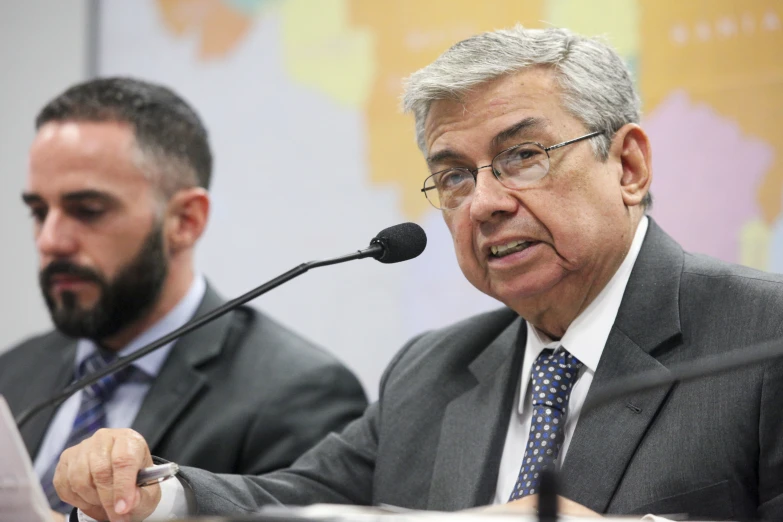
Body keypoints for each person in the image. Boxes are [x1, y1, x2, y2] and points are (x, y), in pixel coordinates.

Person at [53, 26, 783, 522]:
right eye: (455, 177)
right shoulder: (431, 371)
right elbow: (299, 502)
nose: (486, 203)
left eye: (521, 156)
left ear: (626, 166)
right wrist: (152, 494)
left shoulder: (761, 339)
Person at [0, 77, 368, 518]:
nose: (50, 241)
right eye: (39, 212)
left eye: (88, 210)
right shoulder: (15, 372)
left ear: (185, 221)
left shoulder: (300, 393)